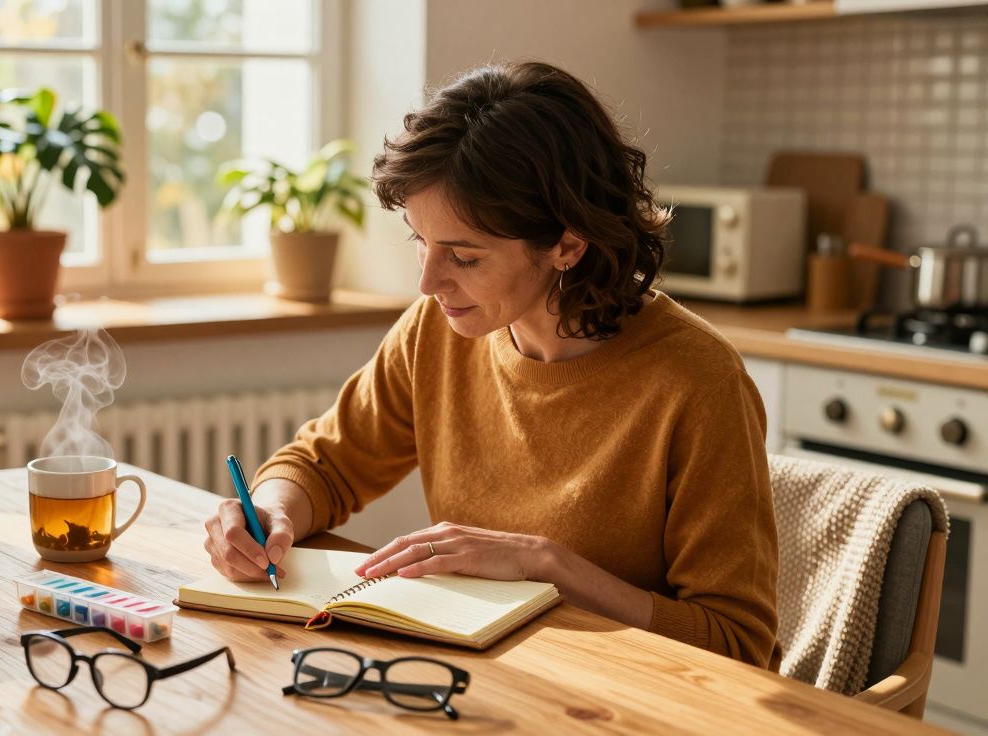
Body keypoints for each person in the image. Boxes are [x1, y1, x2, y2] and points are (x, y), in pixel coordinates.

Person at [202, 60, 780, 668]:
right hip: (490, 682)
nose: (428, 282)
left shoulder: (699, 382)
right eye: (420, 241)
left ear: (568, 244)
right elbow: (323, 464)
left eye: (465, 257)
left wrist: (546, 565)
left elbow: (738, 644)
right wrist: (270, 510)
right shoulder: (441, 332)